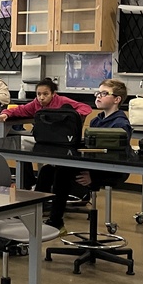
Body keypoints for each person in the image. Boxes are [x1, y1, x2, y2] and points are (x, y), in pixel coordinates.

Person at [41, 78, 131, 232]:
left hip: (108, 172)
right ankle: (36, 213)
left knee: (62, 173)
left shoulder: (121, 124)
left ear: (117, 99)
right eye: (98, 92)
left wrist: (94, 178)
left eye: (104, 93)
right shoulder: (97, 120)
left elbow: (116, 158)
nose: (98, 96)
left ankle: (56, 221)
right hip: (92, 166)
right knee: (47, 171)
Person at [0, 77, 92, 188]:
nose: (41, 98)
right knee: (20, 144)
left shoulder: (62, 101)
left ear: (53, 94)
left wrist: (71, 116)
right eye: (38, 94)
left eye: (45, 94)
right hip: (44, 139)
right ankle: (27, 183)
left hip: (62, 141)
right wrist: (6, 114)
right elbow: (20, 109)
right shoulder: (36, 104)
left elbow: (85, 108)